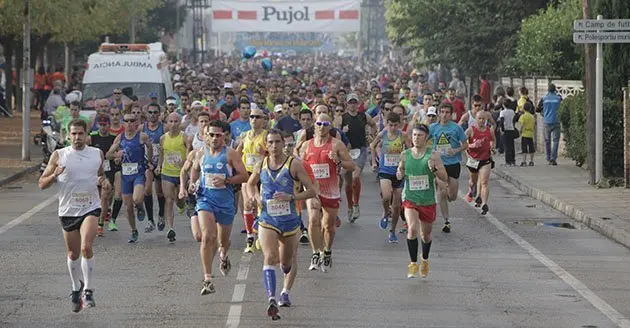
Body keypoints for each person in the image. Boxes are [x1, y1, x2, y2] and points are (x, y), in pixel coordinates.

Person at [39, 119, 110, 312]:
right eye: (74, 134)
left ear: (87, 135)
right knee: (73, 253)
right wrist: (54, 175)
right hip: (68, 210)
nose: (77, 137)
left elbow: (101, 175)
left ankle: (88, 290)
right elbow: (41, 183)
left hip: (90, 207)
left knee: (87, 247)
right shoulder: (59, 155)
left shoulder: (97, 154)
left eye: (81, 133)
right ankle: (75, 287)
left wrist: (105, 183)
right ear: (68, 135)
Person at [247, 129, 317, 319]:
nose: (274, 146)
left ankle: (285, 290)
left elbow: (312, 190)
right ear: (266, 145)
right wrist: (255, 198)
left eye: (277, 142)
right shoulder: (260, 164)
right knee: (269, 256)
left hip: (290, 220)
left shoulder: (293, 165)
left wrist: (292, 197)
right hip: (268, 219)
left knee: (286, 262)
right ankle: (271, 298)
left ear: (283, 143)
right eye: (270, 142)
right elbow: (250, 184)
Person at [189, 121, 249, 294]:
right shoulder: (200, 153)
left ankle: (223, 255)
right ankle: (207, 278)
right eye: (211, 135)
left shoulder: (230, 154)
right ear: (205, 136)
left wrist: (227, 180)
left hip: (225, 202)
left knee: (223, 242)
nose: (214, 138)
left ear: (224, 136)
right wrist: (192, 183)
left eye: (218, 135)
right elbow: (194, 170)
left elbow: (244, 176)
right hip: (205, 199)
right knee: (208, 236)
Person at [300, 114, 356, 272]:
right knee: (312, 220)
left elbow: (351, 166)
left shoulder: (337, 145)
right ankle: (315, 253)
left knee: (328, 226)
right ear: (314, 125)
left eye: (325, 124)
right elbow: (299, 168)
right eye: (319, 123)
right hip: (312, 189)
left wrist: (338, 161)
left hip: (330, 190)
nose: (322, 126)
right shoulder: (306, 146)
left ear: (330, 126)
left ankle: (327, 251)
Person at [396, 124, 447, 279]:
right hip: (410, 198)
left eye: (419, 135)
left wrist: (435, 170)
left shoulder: (433, 156)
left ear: (426, 138)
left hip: (427, 199)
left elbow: (444, 178)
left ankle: (424, 260)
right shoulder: (405, 154)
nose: (416, 138)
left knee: (425, 235)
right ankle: (412, 264)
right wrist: (400, 172)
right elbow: (399, 174)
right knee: (412, 229)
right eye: (414, 135)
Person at [106, 111, 154, 243]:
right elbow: (108, 155)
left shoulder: (141, 136)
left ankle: (140, 206)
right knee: (127, 207)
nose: (129, 123)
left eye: (132, 121)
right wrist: (117, 154)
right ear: (123, 123)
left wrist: (148, 161)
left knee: (137, 198)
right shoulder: (119, 138)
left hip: (138, 172)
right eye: (127, 121)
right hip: (125, 175)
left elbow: (150, 148)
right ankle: (134, 230)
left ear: (136, 123)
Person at [369, 112, 410, 243]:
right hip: (385, 170)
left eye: (395, 125)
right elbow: (372, 145)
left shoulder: (403, 136)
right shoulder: (383, 134)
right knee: (386, 196)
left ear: (399, 125)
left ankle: (392, 231)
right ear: (386, 124)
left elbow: (410, 150)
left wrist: (407, 165)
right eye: (390, 125)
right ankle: (386, 212)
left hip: (398, 171)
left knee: (397, 205)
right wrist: (374, 161)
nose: (392, 128)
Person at [429, 103, 468, 233]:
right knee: (443, 192)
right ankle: (446, 221)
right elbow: (423, 140)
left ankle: (447, 197)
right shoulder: (433, 128)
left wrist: (456, 150)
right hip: (439, 164)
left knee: (452, 196)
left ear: (451, 115)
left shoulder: (456, 128)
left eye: (447, 112)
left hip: (453, 164)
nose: (444, 115)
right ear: (439, 113)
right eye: (442, 112)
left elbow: (465, 144)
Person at [235, 108, 269, 253]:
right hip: (248, 173)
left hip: (263, 174)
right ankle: (250, 236)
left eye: (257, 117)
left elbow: (274, 153)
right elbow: (237, 152)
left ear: (263, 120)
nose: (254, 119)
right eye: (252, 117)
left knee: (261, 205)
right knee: (248, 204)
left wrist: (265, 153)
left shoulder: (267, 136)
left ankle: (262, 234)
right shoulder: (245, 136)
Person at [156, 112, 191, 242]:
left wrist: (185, 164)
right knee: (169, 200)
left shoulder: (185, 138)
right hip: (167, 173)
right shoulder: (163, 138)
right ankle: (170, 228)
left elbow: (188, 155)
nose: (173, 124)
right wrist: (159, 166)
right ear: (167, 123)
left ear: (179, 123)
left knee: (179, 199)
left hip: (181, 174)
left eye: (176, 121)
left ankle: (182, 205)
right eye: (171, 121)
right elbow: (161, 153)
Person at [87, 114, 117, 237]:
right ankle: (94, 219)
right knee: (96, 199)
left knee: (105, 196)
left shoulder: (113, 138)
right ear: (98, 125)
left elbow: (117, 152)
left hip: (108, 171)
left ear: (109, 125)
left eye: (105, 125)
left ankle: (100, 224)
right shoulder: (92, 138)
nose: (103, 127)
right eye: (101, 125)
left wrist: (117, 157)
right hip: (93, 172)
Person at [464, 111, 495, 215]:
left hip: (485, 159)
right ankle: (471, 190)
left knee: (484, 182)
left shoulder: (489, 130)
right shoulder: (470, 130)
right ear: (476, 119)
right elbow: (463, 144)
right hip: (473, 160)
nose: (482, 121)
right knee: (473, 181)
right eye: (480, 118)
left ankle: (484, 204)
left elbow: (493, 140)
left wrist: (492, 146)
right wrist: (473, 146)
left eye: (484, 119)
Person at [537, 83, 562, 165]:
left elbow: (537, 109)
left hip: (547, 122)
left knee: (547, 140)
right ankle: (553, 158)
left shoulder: (544, 99)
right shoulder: (559, 98)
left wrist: (543, 113)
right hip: (556, 122)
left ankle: (548, 156)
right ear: (555, 90)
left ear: (548, 90)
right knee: (555, 141)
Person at [519, 102, 536, 166]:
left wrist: (520, 131)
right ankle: (531, 161)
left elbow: (522, 125)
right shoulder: (532, 116)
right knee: (531, 148)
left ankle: (524, 161)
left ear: (523, 108)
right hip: (531, 134)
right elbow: (534, 125)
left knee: (524, 148)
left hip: (524, 134)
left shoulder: (523, 116)